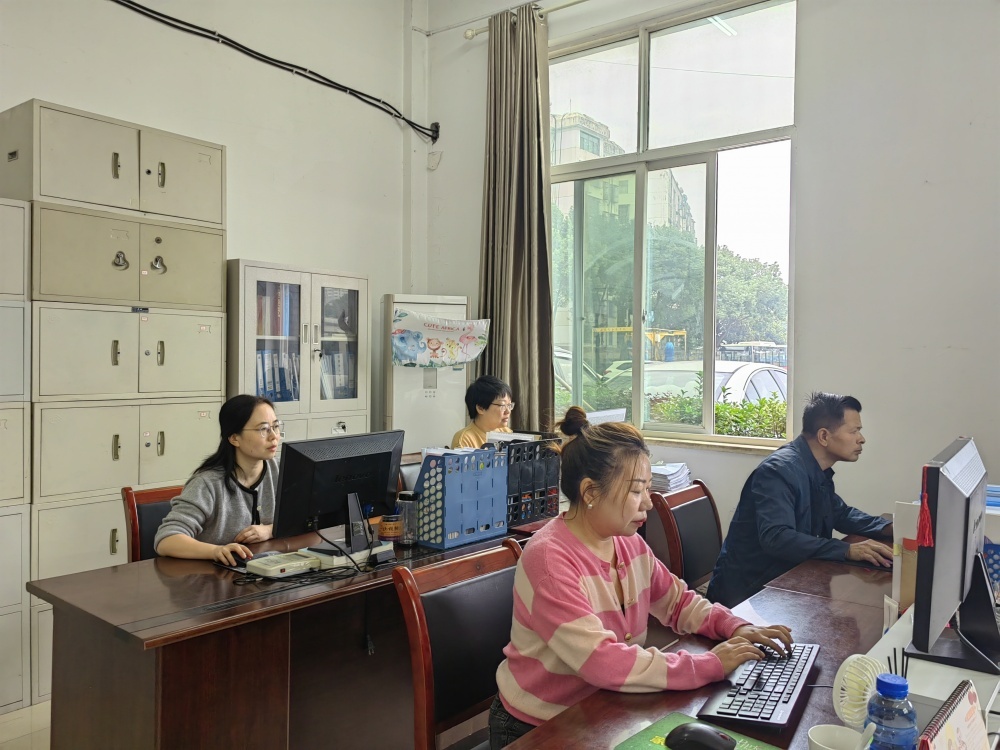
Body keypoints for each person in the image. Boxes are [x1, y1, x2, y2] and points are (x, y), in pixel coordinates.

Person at [488, 406, 793, 748]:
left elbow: (678, 603)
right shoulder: (549, 559)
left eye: (648, 489)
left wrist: (734, 626)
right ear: (590, 492)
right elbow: (602, 661)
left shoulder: (626, 541)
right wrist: (709, 665)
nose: (648, 503)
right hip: (539, 726)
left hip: (604, 707)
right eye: (637, 491)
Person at [706, 392, 893, 608]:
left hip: (790, 582)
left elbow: (839, 513)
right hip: (751, 594)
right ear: (824, 436)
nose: (861, 439)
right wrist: (847, 550)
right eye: (854, 431)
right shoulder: (778, 471)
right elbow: (777, 537)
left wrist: (888, 528)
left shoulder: (815, 467)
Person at [154, 394, 282, 567]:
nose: (274, 436)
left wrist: (270, 530)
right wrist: (215, 551)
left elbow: (307, 519)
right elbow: (166, 539)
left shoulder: (280, 469)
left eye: (276, 426)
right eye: (263, 429)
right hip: (211, 576)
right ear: (234, 438)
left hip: (265, 570)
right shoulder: (208, 483)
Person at [451, 375, 514, 448]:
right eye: (502, 405)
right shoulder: (464, 439)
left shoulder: (506, 432)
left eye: (509, 405)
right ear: (480, 408)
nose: (508, 411)